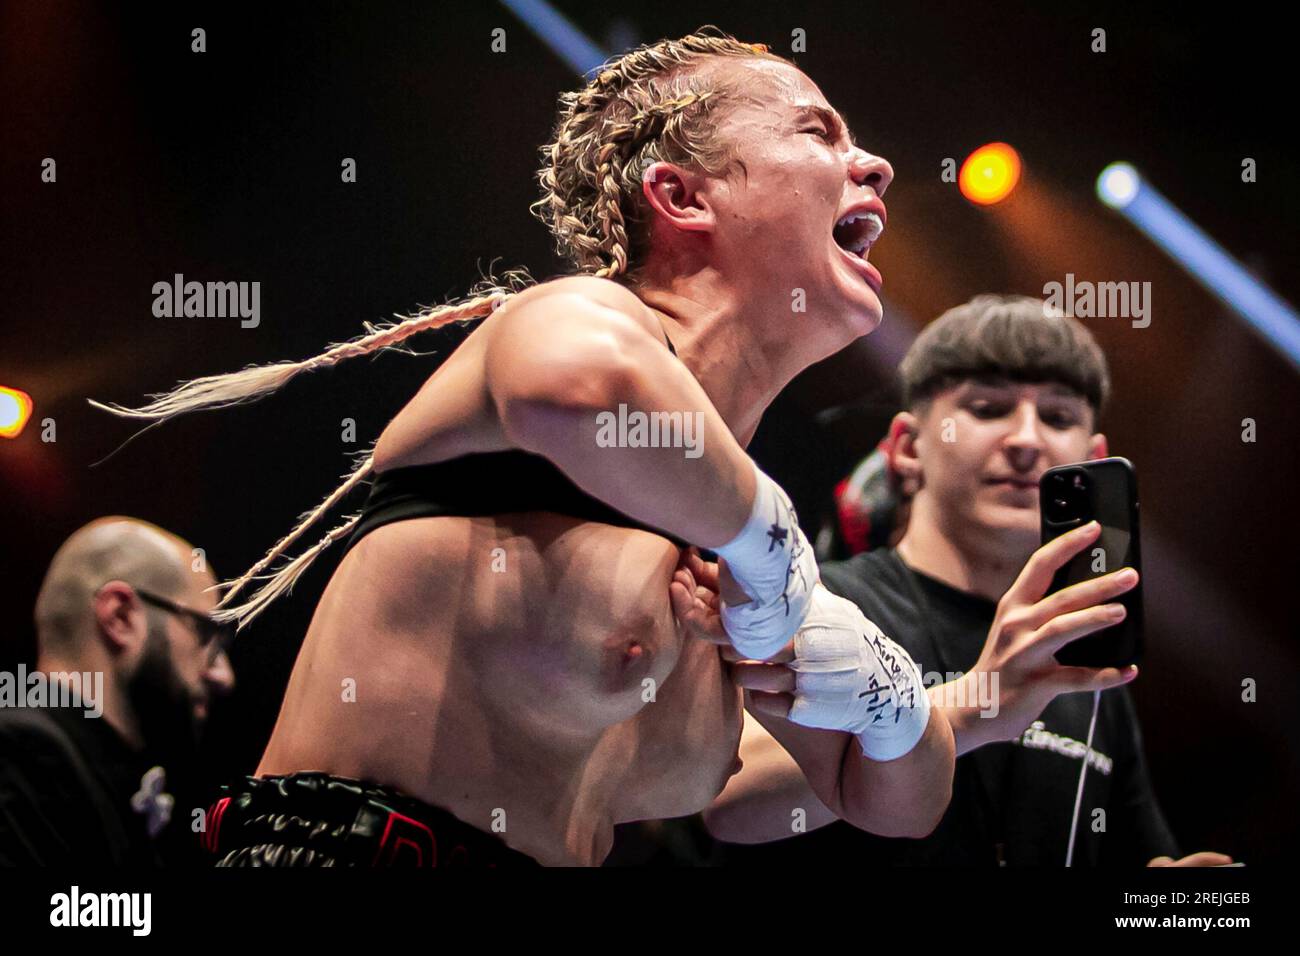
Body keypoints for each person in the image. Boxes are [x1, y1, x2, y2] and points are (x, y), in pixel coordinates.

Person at [92, 30, 1126, 867]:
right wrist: (775, 556)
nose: (876, 162)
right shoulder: (576, 323)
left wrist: (896, 701)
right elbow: (576, 389)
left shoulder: (738, 558)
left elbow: (894, 800)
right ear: (682, 197)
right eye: (818, 130)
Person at [702, 295, 1234, 867]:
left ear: (1092, 457)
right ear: (908, 448)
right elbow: (725, 803)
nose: (1027, 440)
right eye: (988, 408)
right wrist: (974, 707)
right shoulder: (817, 603)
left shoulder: (1085, 662)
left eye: (1058, 418)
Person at [0, 517, 235, 866]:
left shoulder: (108, 769)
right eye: (203, 633)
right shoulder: (19, 754)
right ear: (120, 616)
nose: (224, 675)